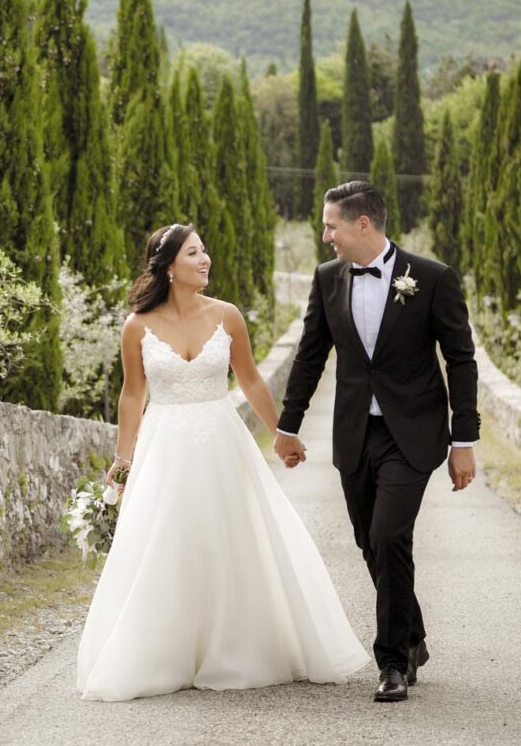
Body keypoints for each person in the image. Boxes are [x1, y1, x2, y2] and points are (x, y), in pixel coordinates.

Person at [76, 222, 369, 701]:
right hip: (164, 444)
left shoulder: (228, 315)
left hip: (221, 441)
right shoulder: (137, 326)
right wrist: (123, 461)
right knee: (168, 541)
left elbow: (251, 381)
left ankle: (235, 646)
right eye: (194, 253)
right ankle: (166, 652)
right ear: (170, 267)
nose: (205, 259)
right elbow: (133, 396)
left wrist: (283, 433)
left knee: (230, 537)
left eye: (204, 250)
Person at [274, 181, 480, 703]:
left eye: (330, 225)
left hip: (412, 433)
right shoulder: (327, 280)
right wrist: (289, 425)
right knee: (372, 542)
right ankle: (412, 634)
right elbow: (310, 355)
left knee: (389, 535)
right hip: (354, 433)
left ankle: (391, 662)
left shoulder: (431, 279)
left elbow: (460, 360)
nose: (325, 236)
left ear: (361, 223)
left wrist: (464, 439)